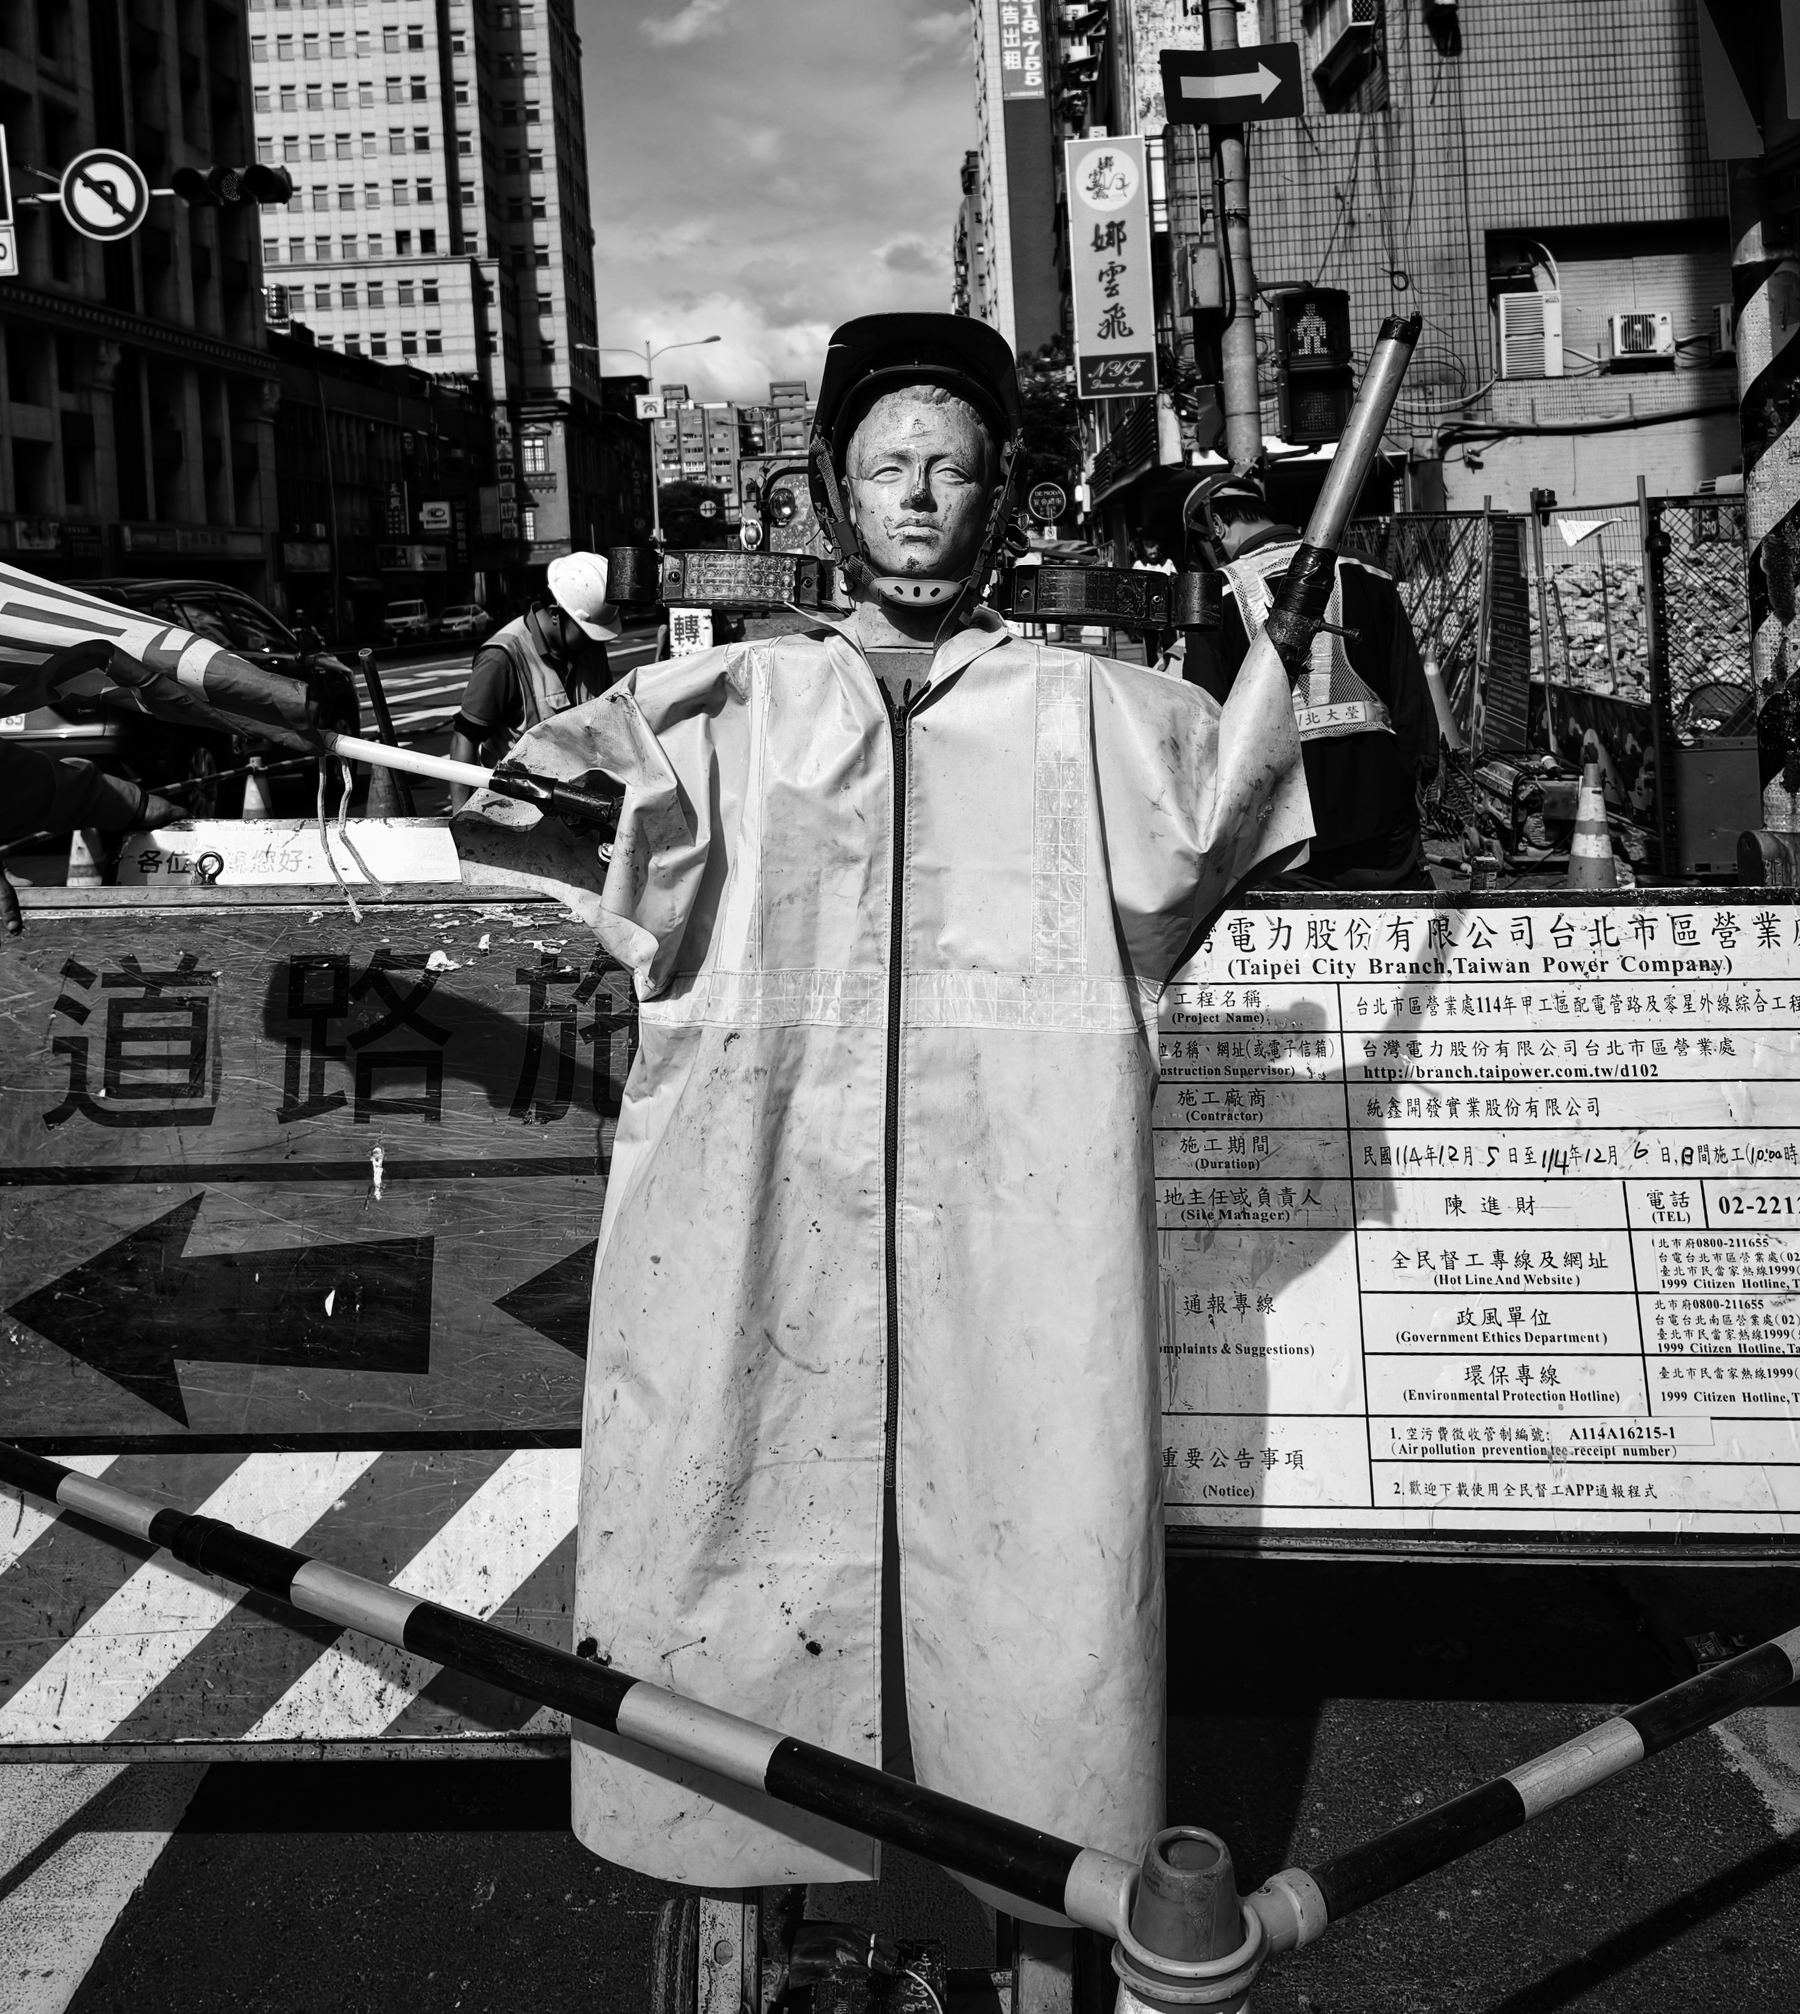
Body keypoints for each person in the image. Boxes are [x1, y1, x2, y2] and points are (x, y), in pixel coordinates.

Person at [454, 314, 1311, 1921]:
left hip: (1024, 1232)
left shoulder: (1105, 717)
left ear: (1006, 497)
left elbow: (1307, 781)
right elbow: (517, 806)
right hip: (754, 1215)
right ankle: (756, 1892)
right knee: (736, 1538)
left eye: (956, 467)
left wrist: (1272, 574)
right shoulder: (719, 711)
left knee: (1036, 1564)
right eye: (887, 467)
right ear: (833, 496)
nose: (920, 499)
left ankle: (1024, 1870)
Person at [1182, 466, 1439, 889]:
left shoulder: (1216, 597)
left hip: (1278, 830)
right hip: (1381, 813)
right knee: (1396, 942)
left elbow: (1205, 722)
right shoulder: (1366, 571)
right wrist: (1423, 771)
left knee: (1298, 947)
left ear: (1216, 525)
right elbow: (1408, 688)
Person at [446, 553, 620, 769]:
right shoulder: (502, 657)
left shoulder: (590, 646)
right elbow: (465, 738)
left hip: (581, 793)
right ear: (555, 614)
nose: (594, 639)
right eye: (587, 631)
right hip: (517, 799)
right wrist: (465, 804)